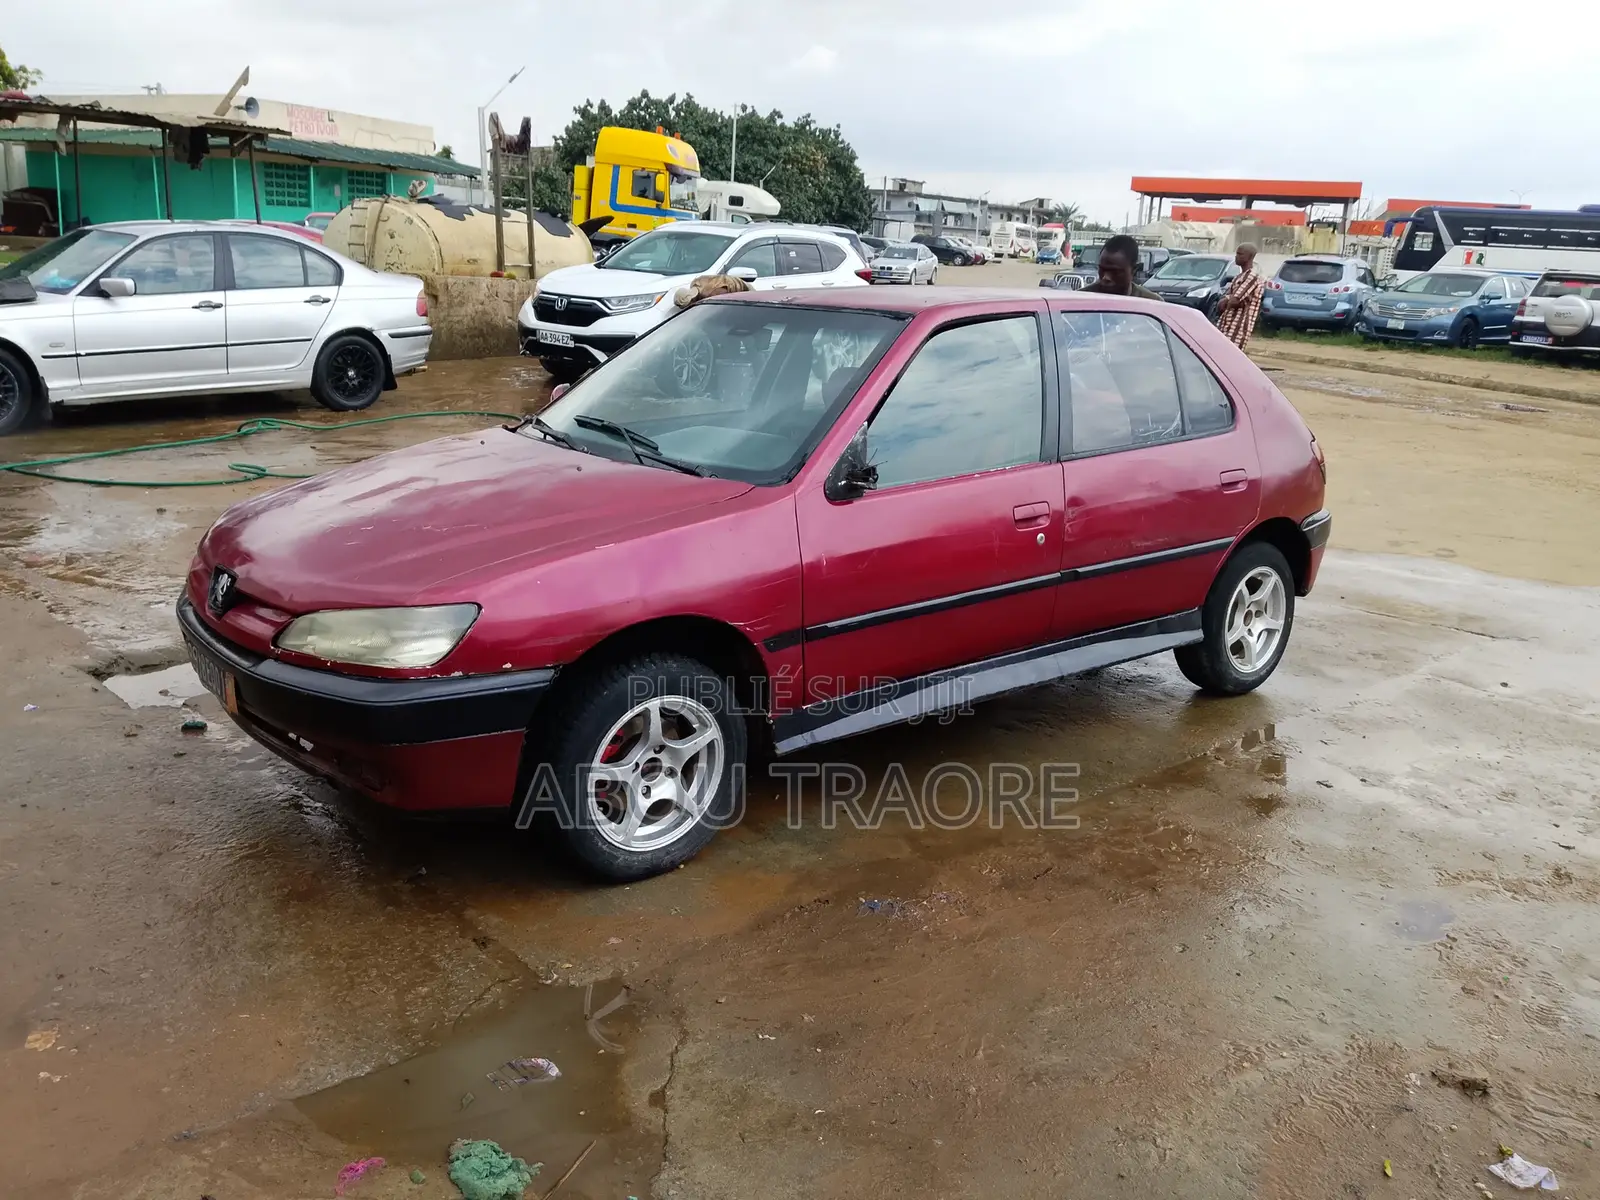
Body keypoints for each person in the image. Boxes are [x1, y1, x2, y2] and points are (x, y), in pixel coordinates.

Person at [1216, 242, 1267, 350]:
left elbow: (1233, 301)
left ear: (1249, 257)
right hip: (1226, 323)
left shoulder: (1252, 277)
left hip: (1238, 327)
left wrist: (1226, 300)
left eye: (1240, 254)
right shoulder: (1238, 277)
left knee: (1231, 357)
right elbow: (1225, 301)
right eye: (1237, 253)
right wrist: (1225, 300)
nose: (1236, 256)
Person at [1083, 234, 1161, 301]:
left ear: (1134, 270)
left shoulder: (1152, 304)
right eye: (1102, 270)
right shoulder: (1082, 299)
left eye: (1115, 272)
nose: (1105, 277)